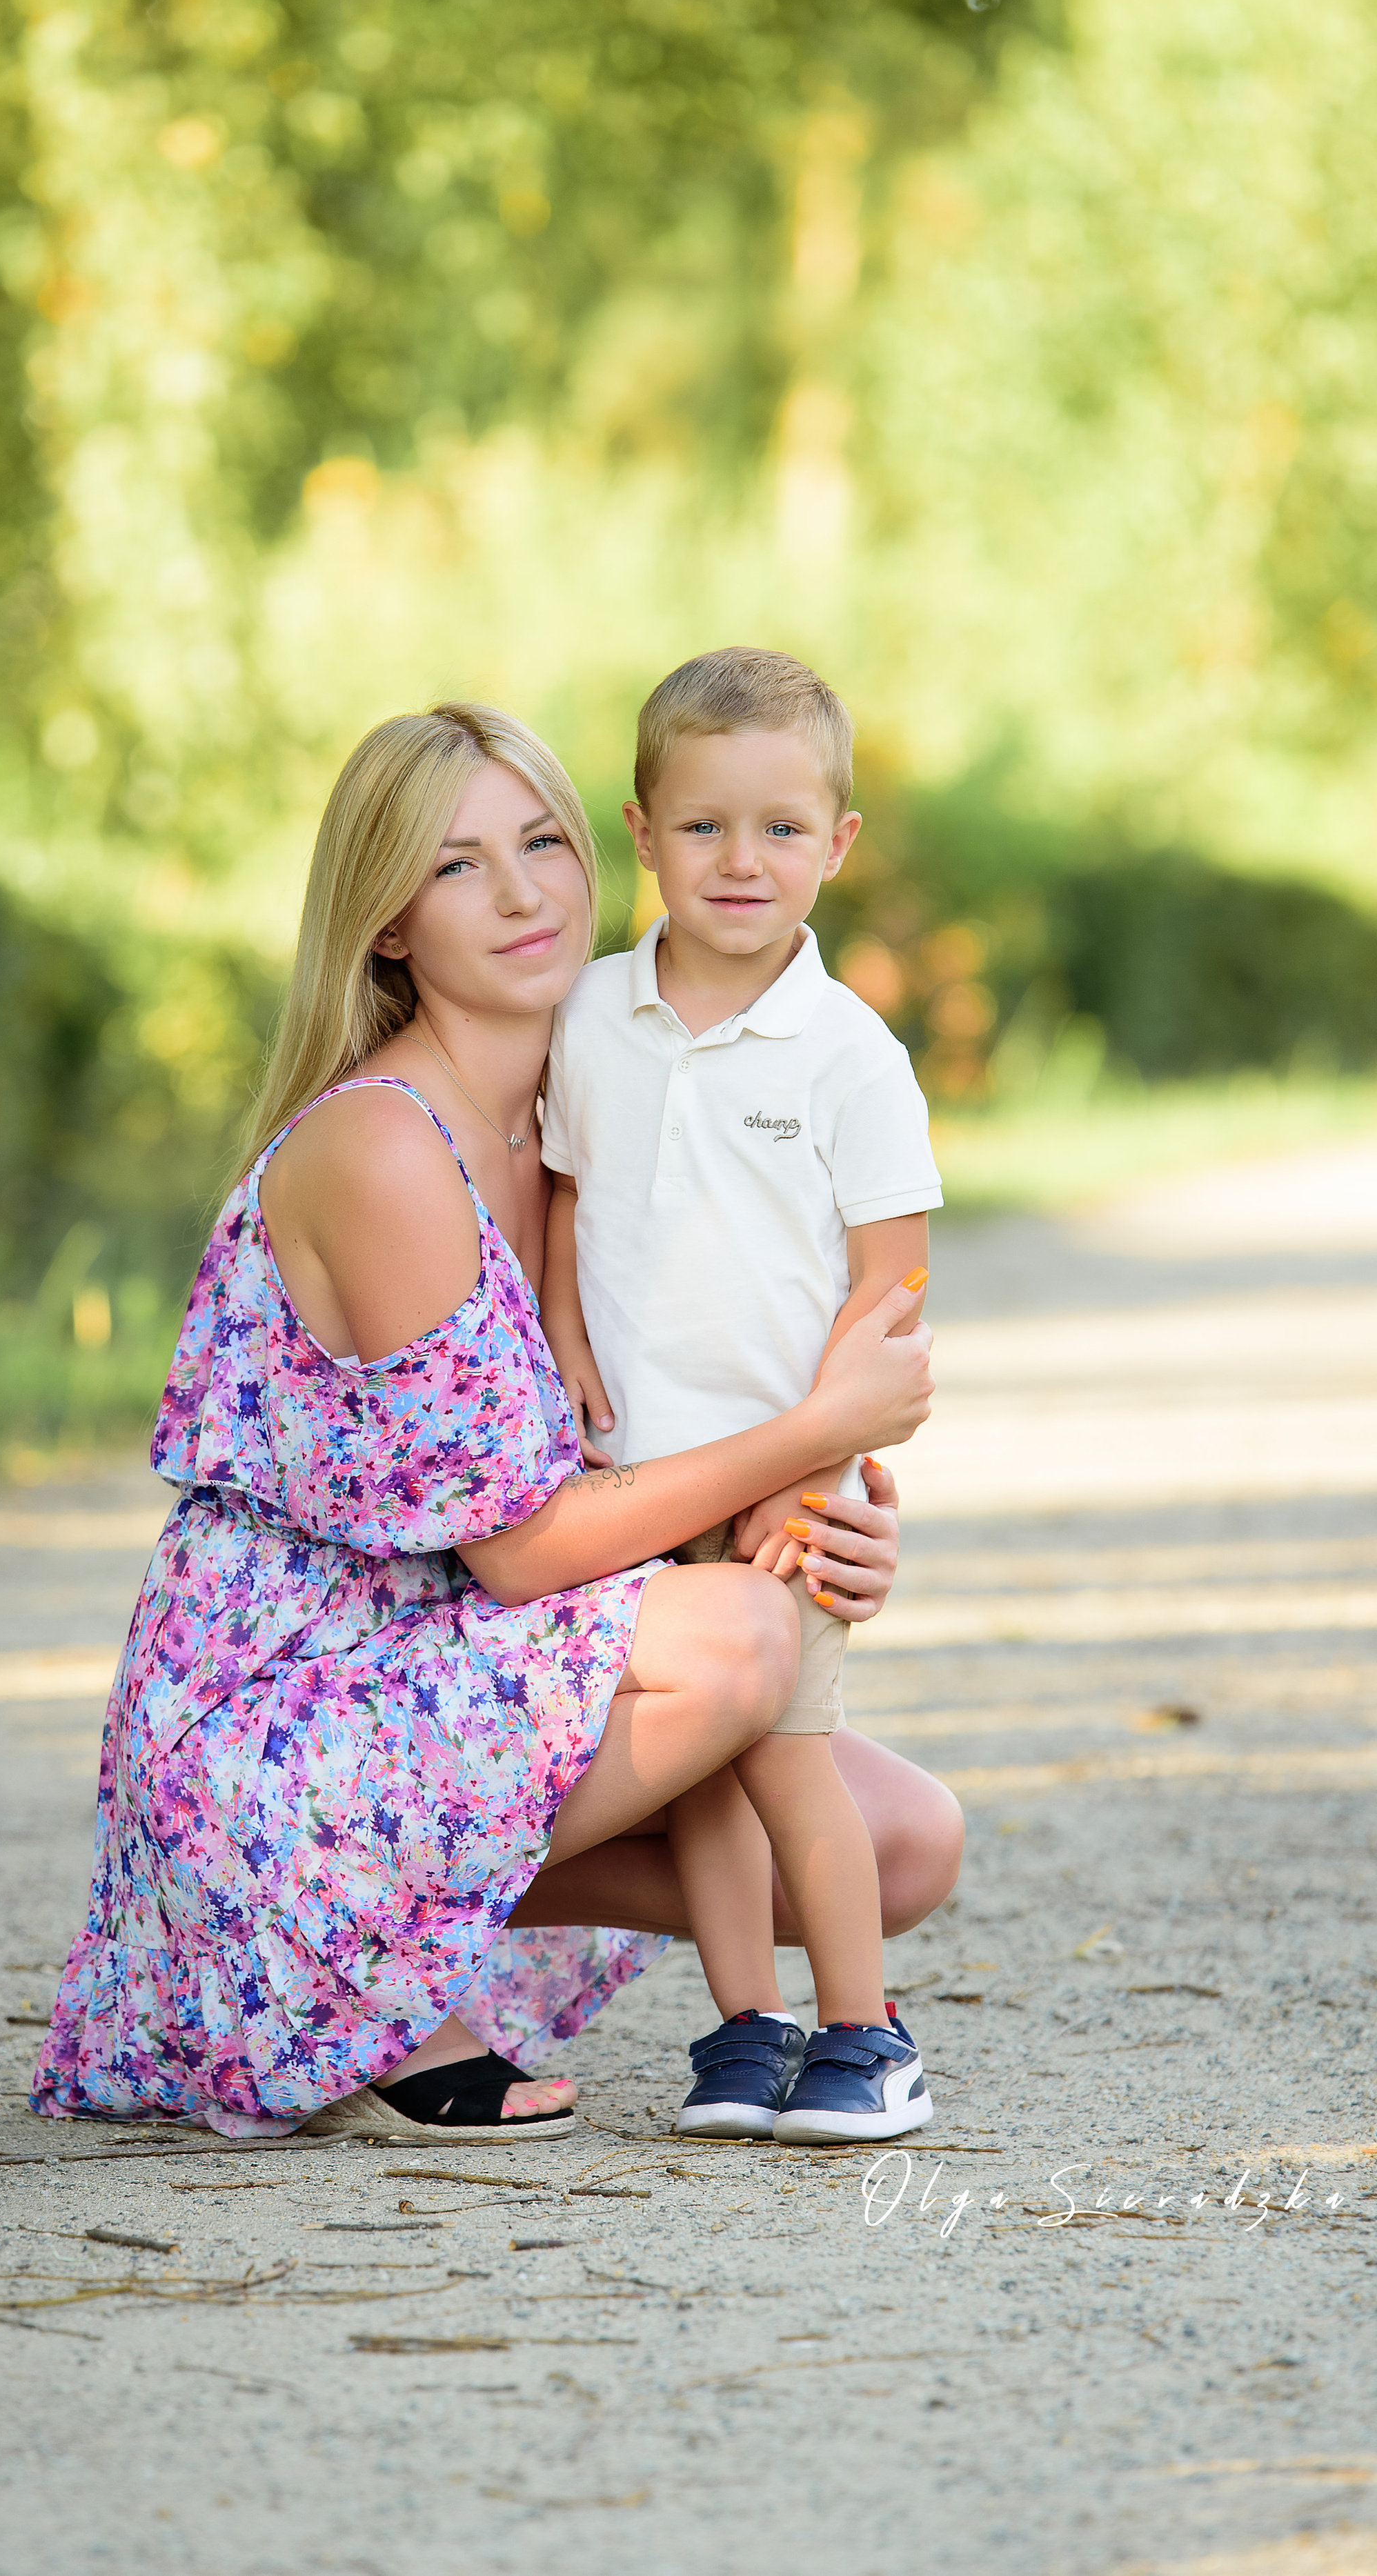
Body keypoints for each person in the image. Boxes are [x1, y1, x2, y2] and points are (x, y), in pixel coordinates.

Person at [32, 701, 956, 2143]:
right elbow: (525, 1553)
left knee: (897, 1841)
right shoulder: (384, 1146)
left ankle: (346, 1929)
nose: (522, 893)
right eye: (458, 866)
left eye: (541, 842)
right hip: (294, 1701)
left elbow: (687, 1396)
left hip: (458, 1659)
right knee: (737, 1646)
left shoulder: (599, 1094)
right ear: (389, 922)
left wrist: (820, 1508)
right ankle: (310, 1941)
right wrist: (799, 1440)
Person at [539, 648, 944, 2145]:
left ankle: (863, 2031)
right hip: (636, 1481)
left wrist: (814, 1469)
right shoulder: (589, 1020)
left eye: (781, 829)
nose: (739, 861)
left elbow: (887, 1292)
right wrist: (567, 1336)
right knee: (701, 1777)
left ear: (836, 845)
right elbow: (566, 1203)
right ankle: (741, 2030)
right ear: (639, 832)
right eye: (701, 825)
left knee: (785, 1763)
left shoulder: (849, 1059)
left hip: (784, 1489)